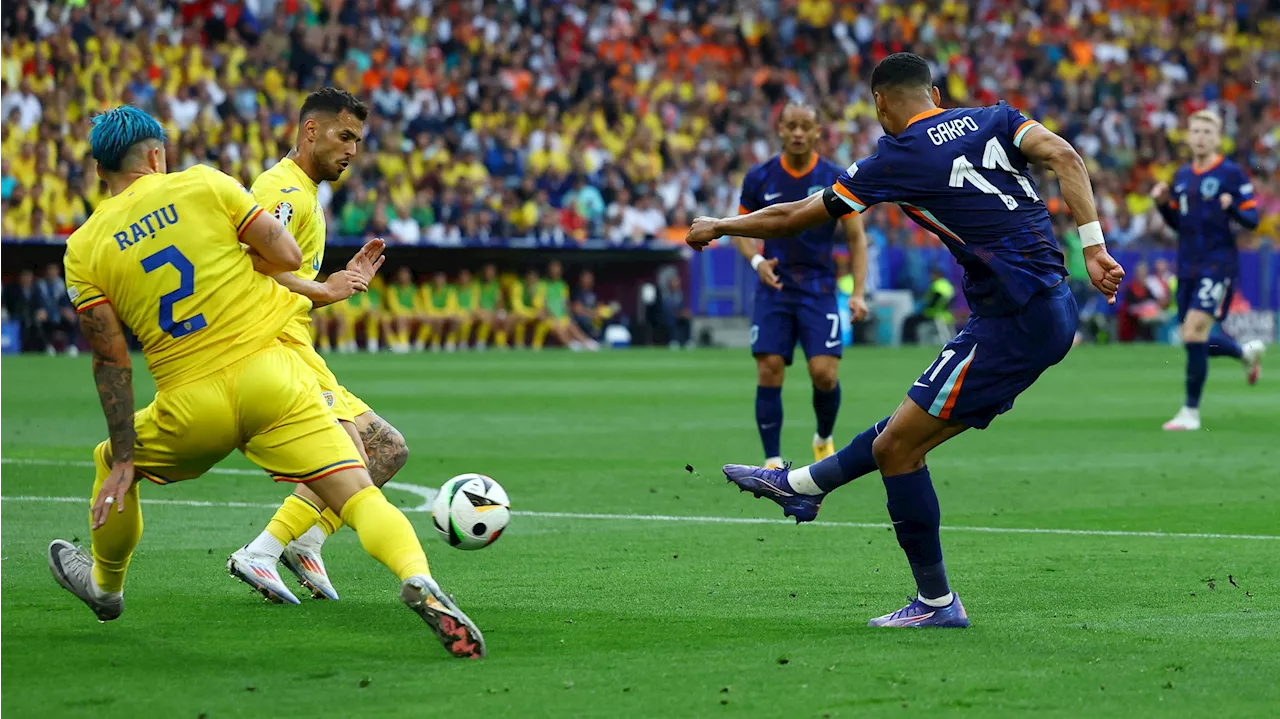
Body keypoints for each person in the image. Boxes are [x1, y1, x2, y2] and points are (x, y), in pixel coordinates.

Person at [686, 53, 1124, 628]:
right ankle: (800, 486)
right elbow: (1064, 154)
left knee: (899, 449)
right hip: (1045, 305)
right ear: (935, 92)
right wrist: (1092, 246)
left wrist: (722, 226)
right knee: (899, 438)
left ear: (881, 103)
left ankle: (934, 602)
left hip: (1013, 318)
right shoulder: (995, 117)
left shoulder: (897, 157)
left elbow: (797, 216)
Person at [49, 106, 484, 658]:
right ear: (157, 155)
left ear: (98, 169)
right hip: (271, 377)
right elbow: (284, 254)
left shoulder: (82, 249)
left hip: (189, 401)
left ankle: (106, 587)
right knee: (356, 491)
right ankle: (420, 578)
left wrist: (128, 454)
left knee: (111, 463)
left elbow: (109, 361)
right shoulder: (204, 182)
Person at [232, 88, 414, 607]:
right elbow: (249, 264)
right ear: (310, 131)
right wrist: (324, 288)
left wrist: (338, 283)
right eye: (344, 136)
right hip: (275, 346)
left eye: (357, 139)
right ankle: (262, 551)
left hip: (298, 346)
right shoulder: (282, 192)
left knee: (386, 449)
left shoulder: (305, 193)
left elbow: (282, 273)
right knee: (353, 460)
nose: (352, 149)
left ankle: (304, 542)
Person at [731, 102, 869, 468]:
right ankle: (772, 460)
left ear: (817, 132)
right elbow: (739, 230)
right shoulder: (759, 177)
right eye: (791, 126)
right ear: (779, 129)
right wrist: (757, 261)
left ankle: (823, 437)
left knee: (824, 374)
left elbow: (856, 237)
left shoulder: (836, 178)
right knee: (769, 366)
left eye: (805, 127)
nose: (797, 133)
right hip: (774, 287)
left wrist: (857, 292)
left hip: (819, 287)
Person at [1150, 110, 1263, 431]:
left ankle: (1190, 412)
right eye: (1195, 130)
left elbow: (1252, 219)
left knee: (1194, 331)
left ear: (1217, 138)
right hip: (1187, 265)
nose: (1199, 136)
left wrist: (1232, 207)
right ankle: (1243, 353)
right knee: (1192, 338)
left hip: (1218, 263)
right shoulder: (1182, 176)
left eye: (1206, 131)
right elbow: (1178, 224)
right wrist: (1161, 204)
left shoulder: (1231, 174)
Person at [542, 260, 599, 351]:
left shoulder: (562, 285)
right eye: (553, 269)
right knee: (558, 327)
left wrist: (568, 316)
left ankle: (587, 342)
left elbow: (565, 303)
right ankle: (571, 345)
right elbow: (542, 304)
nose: (555, 271)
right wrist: (552, 317)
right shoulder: (543, 284)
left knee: (571, 324)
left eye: (557, 269)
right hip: (548, 317)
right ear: (549, 270)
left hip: (561, 316)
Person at [901, 268, 955, 344]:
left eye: (932, 275)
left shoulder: (937, 286)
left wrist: (922, 308)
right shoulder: (948, 285)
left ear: (937, 275)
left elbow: (932, 303)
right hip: (946, 315)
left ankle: (909, 342)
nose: (930, 277)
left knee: (909, 320)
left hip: (934, 314)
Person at [36, 262, 79, 355]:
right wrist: (41, 310)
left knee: (73, 318)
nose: (52, 272)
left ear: (57, 271)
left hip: (61, 314)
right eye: (50, 270)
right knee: (40, 319)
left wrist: (67, 310)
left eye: (54, 270)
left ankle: (72, 346)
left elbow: (67, 301)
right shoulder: (40, 285)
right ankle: (48, 346)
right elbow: (37, 302)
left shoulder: (63, 284)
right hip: (47, 315)